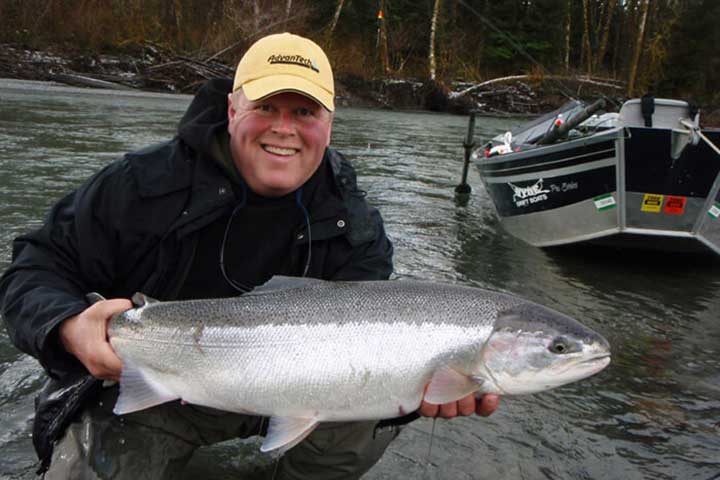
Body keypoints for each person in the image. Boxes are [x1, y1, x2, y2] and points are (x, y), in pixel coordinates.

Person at [0, 32, 499, 479]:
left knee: (368, 421)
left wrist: (424, 396)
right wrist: (68, 327)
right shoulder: (139, 186)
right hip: (160, 378)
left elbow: (376, 354)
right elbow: (33, 268)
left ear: (328, 124)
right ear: (233, 109)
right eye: (267, 107)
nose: (285, 128)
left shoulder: (354, 226)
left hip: (305, 388)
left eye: (304, 112)